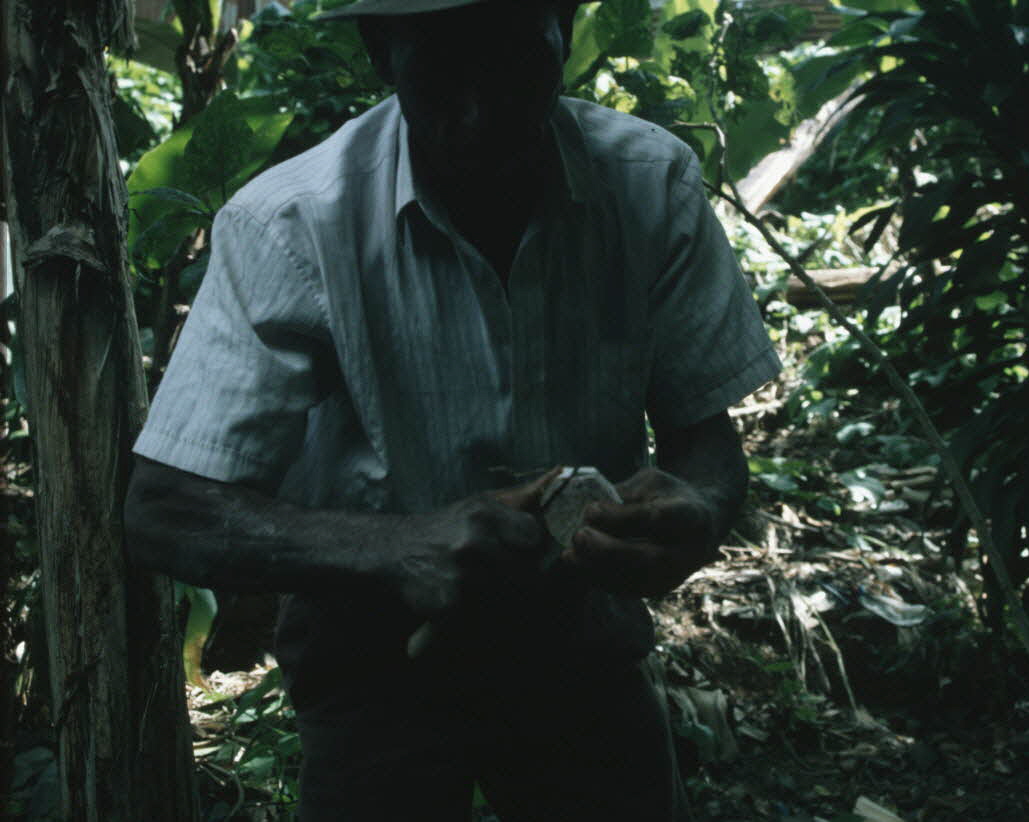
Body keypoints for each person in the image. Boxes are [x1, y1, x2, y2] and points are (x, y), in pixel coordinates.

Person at [123, 0, 781, 818]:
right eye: (441, 72)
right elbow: (163, 511)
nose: (480, 116)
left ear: (564, 31)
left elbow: (706, 447)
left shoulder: (649, 184)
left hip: (580, 648)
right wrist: (398, 548)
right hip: (373, 663)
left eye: (517, 64)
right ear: (380, 51)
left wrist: (697, 510)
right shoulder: (291, 226)